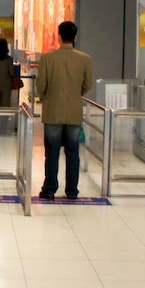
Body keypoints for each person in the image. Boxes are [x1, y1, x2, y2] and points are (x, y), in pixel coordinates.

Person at [35, 21, 93, 201]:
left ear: (59, 36)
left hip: (53, 112)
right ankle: (72, 190)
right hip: (74, 113)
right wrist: (75, 95)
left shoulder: (47, 58)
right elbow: (87, 84)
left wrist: (47, 97)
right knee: (73, 153)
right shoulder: (85, 59)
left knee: (51, 153)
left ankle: (50, 189)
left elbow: (41, 85)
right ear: (75, 37)